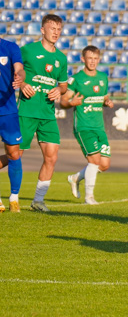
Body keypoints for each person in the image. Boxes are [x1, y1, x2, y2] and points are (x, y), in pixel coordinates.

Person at [18, 14, 68, 212]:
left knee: (52, 157)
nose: (56, 32)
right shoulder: (28, 50)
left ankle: (38, 201)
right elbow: (14, 72)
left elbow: (63, 85)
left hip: (48, 115)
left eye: (59, 29)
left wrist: (59, 90)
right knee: (15, 155)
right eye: (52, 28)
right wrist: (21, 84)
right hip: (27, 112)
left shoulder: (61, 58)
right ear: (42, 30)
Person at [61, 46, 112, 204]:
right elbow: (63, 102)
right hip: (83, 127)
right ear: (83, 59)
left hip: (99, 127)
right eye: (90, 58)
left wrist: (107, 102)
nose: (93, 62)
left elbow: (103, 97)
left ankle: (76, 177)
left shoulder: (103, 77)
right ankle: (89, 197)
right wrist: (71, 103)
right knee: (94, 160)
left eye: (95, 58)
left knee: (104, 165)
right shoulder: (77, 79)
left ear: (99, 59)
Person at [0, 36, 24, 212]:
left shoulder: (10, 47)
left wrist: (19, 77)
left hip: (7, 109)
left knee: (14, 153)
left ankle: (14, 197)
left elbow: (19, 68)